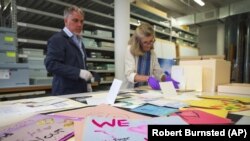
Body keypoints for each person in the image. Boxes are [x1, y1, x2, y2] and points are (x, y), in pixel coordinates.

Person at [44, 5, 92, 95]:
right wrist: (78, 72)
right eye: (75, 20)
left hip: (81, 92)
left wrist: (88, 83)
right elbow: (51, 64)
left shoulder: (79, 41)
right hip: (65, 93)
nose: (79, 25)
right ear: (66, 21)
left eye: (82, 21)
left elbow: (83, 65)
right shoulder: (57, 39)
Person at [124, 23, 179, 89]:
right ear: (138, 42)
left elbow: (157, 72)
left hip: (144, 89)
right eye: (145, 42)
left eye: (151, 41)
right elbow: (129, 75)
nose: (149, 45)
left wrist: (165, 78)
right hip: (131, 90)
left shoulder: (152, 53)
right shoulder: (130, 50)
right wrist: (148, 78)